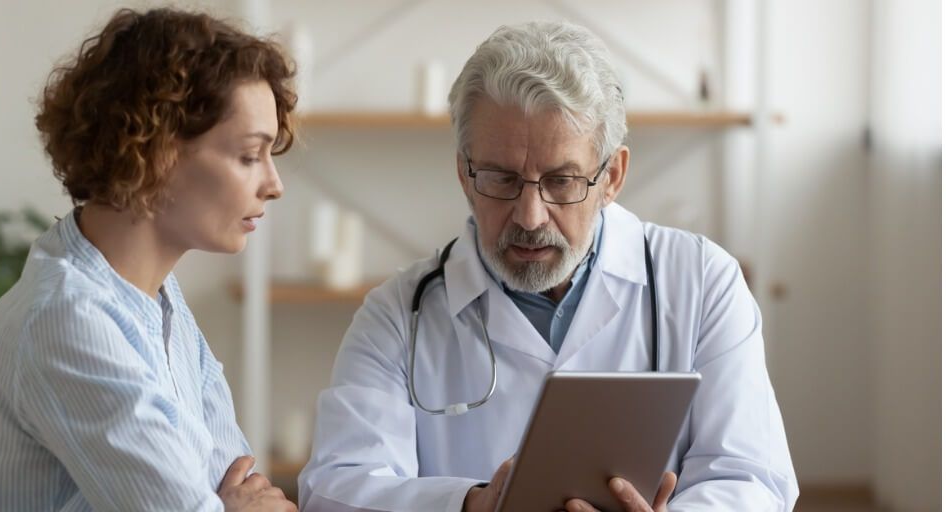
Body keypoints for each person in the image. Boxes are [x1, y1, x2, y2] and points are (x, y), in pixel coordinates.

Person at [298, 21, 798, 512]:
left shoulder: (702, 281)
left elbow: (752, 477)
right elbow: (334, 490)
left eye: (561, 181)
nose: (530, 217)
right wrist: (469, 506)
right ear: (464, 174)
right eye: (501, 178)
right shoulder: (396, 315)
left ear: (613, 176)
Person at [0, 8, 297, 511]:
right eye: (250, 155)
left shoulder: (159, 304)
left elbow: (238, 481)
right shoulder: (66, 318)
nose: (274, 185)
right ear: (157, 151)